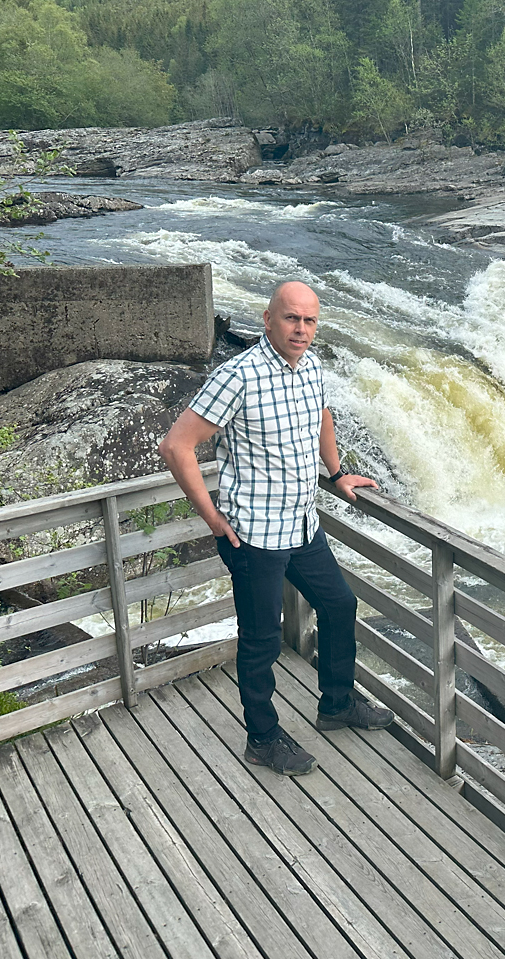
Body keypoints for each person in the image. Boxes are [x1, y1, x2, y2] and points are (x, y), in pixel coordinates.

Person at [158, 280, 393, 775]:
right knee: (262, 639)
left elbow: (322, 416)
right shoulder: (238, 376)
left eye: (309, 321)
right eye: (291, 318)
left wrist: (336, 471)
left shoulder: (312, 369)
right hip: (254, 538)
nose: (301, 329)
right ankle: (262, 738)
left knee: (339, 604)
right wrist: (213, 518)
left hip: (302, 524)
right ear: (268, 320)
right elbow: (176, 446)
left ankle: (336, 705)